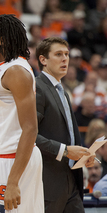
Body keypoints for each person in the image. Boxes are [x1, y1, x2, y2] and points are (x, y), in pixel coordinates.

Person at [0, 14, 44, 212]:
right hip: (9, 158)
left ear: (1, 41)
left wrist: (13, 181)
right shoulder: (7, 67)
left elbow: (30, 127)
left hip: (11, 161)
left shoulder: (16, 71)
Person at [35, 37, 95, 213]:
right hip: (48, 181)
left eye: (67, 54)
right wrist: (66, 151)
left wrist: (83, 155)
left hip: (71, 179)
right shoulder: (38, 87)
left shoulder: (62, 91)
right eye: (58, 54)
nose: (65, 59)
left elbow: (69, 134)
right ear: (43, 60)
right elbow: (29, 135)